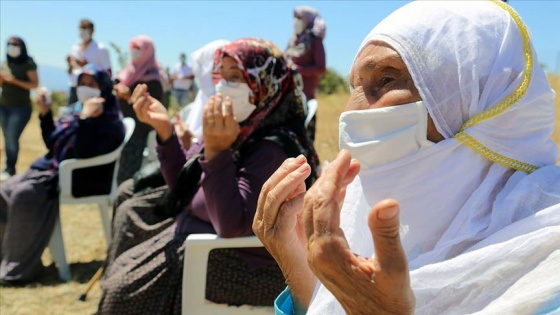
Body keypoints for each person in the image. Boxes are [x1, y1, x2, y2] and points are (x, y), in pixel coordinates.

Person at [253, 1, 560, 314]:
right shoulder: (368, 235)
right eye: (354, 87)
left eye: (386, 80)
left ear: (482, 101)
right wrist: (303, 274)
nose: (350, 112)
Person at [98, 38, 319, 314]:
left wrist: (216, 152)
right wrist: (165, 130)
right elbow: (187, 186)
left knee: (124, 291)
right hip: (204, 238)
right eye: (221, 75)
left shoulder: (273, 148)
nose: (223, 85)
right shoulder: (240, 126)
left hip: (247, 266)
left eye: (235, 76)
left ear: (266, 84)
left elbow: (230, 224)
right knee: (127, 254)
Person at [0, 64, 124, 285]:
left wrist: (87, 121)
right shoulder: (75, 110)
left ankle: (19, 269)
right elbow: (53, 143)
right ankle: (6, 256)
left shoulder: (109, 120)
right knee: (3, 190)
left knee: (23, 195)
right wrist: (46, 114)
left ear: (103, 87)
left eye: (91, 84)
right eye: (82, 83)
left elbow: (83, 154)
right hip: (53, 171)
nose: (85, 88)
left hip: (80, 179)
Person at [113, 35, 166, 184]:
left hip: (138, 133)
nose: (134, 52)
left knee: (126, 177)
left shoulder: (153, 80)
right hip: (118, 128)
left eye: (139, 49)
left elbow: (149, 110)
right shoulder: (127, 73)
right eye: (133, 48)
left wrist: (129, 97)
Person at [285, 5, 326, 142]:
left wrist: (298, 70)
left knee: (304, 141)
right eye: (294, 18)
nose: (295, 21)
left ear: (308, 20)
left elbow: (321, 68)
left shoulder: (315, 40)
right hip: (288, 97)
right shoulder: (293, 40)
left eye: (299, 18)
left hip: (306, 100)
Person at [0, 37, 39, 181]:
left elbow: (34, 84)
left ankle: (10, 169)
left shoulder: (28, 63)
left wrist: (13, 80)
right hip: (4, 105)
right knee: (6, 138)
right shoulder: (6, 62)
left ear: (21, 47)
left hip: (20, 108)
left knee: (11, 138)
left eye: (15, 44)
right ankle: (9, 168)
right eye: (9, 44)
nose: (11, 47)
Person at [66, 19, 111, 105]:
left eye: (85, 28)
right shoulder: (75, 48)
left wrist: (86, 65)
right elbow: (71, 72)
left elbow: (108, 73)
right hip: (75, 87)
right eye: (81, 28)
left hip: (91, 89)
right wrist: (70, 64)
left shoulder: (101, 49)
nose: (82, 31)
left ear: (92, 30)